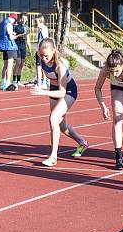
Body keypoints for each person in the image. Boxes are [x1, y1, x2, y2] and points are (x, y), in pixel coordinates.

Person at [30, 38, 89, 167]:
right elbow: (47, 78)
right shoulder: (41, 59)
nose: (44, 58)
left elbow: (62, 92)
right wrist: (40, 85)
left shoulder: (59, 65)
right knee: (62, 126)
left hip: (68, 90)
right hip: (53, 89)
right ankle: (82, 142)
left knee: (53, 118)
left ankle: (53, 156)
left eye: (46, 56)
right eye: (41, 55)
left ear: (54, 51)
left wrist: (43, 92)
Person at [0, 12, 19, 91]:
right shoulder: (9, 24)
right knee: (10, 65)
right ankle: (8, 82)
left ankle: (3, 82)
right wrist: (17, 35)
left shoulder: (3, 23)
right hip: (9, 46)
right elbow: (11, 37)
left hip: (4, 46)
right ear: (14, 19)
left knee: (5, 65)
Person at [12, 12, 30, 87]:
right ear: (20, 18)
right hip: (17, 45)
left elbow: (28, 38)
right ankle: (14, 80)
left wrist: (30, 48)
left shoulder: (27, 28)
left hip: (23, 46)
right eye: (22, 18)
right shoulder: (16, 26)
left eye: (25, 19)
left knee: (22, 64)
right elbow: (13, 36)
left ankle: (18, 81)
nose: (23, 20)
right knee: (18, 63)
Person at [34, 15, 50, 87]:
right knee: (42, 66)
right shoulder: (43, 28)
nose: (35, 22)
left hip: (41, 50)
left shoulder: (42, 28)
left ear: (40, 20)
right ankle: (43, 81)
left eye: (36, 20)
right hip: (42, 49)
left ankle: (41, 82)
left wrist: (41, 50)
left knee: (39, 66)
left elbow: (44, 39)